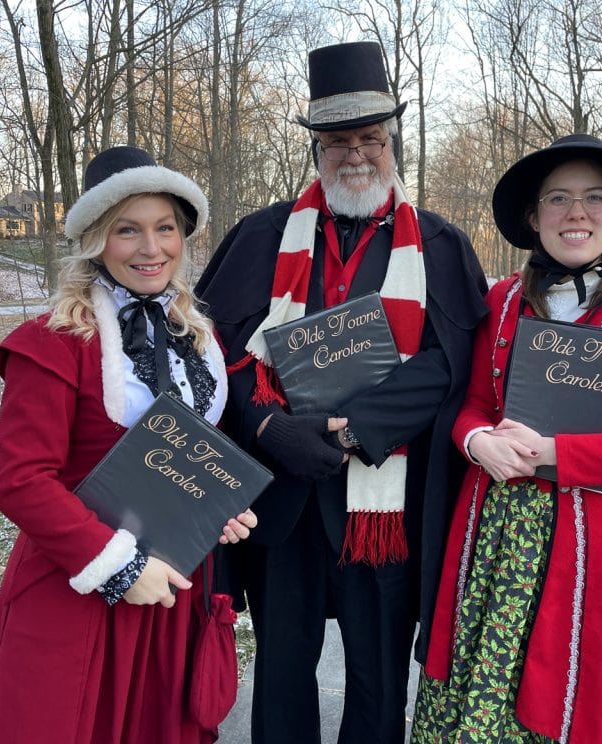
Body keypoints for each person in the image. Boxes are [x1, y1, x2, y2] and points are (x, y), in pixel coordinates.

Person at [196, 41, 488, 744]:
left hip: (382, 507)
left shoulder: (438, 245)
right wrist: (269, 427)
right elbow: (217, 349)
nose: (355, 154)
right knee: (282, 669)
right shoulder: (263, 236)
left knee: (379, 676)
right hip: (283, 497)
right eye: (337, 141)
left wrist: (354, 428)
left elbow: (450, 364)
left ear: (392, 144)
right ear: (316, 149)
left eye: (370, 138)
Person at [412, 134, 602, 743]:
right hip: (493, 537)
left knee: (569, 695)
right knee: (478, 690)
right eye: (558, 198)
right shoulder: (504, 300)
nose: (577, 213)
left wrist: (553, 454)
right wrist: (476, 441)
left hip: (590, 545)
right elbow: (473, 404)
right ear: (533, 216)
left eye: (594, 197)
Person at [0, 146, 258, 744]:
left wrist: (218, 507)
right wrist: (120, 568)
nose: (151, 248)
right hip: (80, 587)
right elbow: (21, 482)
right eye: (127, 230)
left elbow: (199, 452)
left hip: (171, 591)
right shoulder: (53, 342)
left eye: (165, 228)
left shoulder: (198, 338)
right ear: (96, 240)